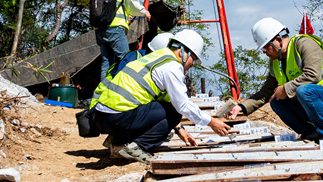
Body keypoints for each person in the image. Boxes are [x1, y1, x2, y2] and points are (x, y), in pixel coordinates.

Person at [91, 29, 232, 163]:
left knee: (167, 109)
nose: (192, 64)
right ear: (183, 52)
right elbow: (181, 105)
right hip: (117, 119)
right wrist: (211, 122)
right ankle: (134, 147)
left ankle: (116, 140)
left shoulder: (156, 56)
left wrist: (179, 129)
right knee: (175, 112)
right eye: (193, 59)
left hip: (100, 118)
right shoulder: (172, 67)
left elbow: (163, 102)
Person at [227, 17, 323, 140]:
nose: (265, 52)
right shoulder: (275, 62)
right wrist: (241, 107)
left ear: (278, 39)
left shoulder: (304, 44)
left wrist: (286, 88)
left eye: (266, 47)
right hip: (315, 109)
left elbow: (313, 74)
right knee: (277, 101)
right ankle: (311, 134)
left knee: (304, 91)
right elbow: (265, 92)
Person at [96, 0, 151, 81]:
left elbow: (114, 6)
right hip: (115, 29)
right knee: (128, 61)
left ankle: (102, 95)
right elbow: (133, 4)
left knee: (107, 64)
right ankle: (125, 94)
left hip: (100, 30)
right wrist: (144, 12)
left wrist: (126, 16)